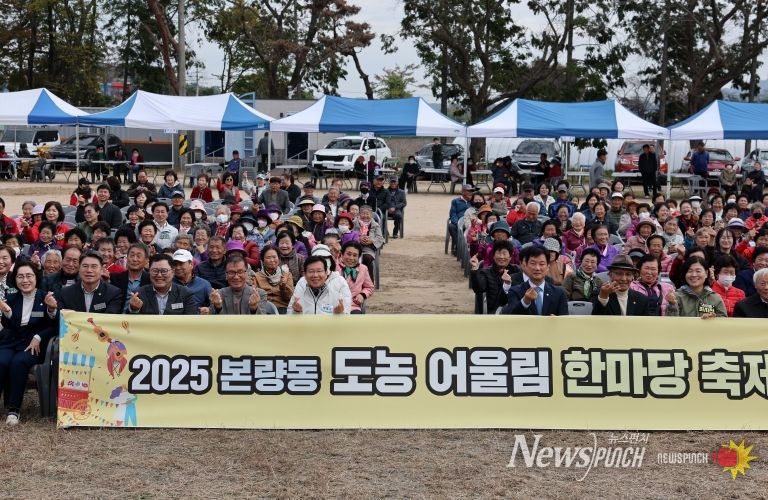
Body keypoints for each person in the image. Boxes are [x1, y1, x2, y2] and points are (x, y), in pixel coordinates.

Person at [0, 262, 58, 425]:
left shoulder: (46, 297)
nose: (25, 280)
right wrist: (7, 313)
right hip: (11, 341)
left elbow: (54, 326)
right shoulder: (11, 298)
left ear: (36, 277)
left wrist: (51, 311)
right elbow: (10, 326)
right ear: (15, 279)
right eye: (20, 276)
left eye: (29, 276)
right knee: (1, 361)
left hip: (33, 343)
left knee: (19, 362)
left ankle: (14, 410)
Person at [502, 245, 568, 315]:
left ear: (548, 267)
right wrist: (525, 301)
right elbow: (511, 317)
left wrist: (557, 320)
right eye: (533, 264)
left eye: (541, 264)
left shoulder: (559, 293)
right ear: (526, 266)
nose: (537, 268)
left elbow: (565, 320)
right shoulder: (515, 291)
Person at [55, 251, 123, 313]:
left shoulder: (113, 293)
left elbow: (110, 319)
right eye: (85, 266)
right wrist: (51, 309)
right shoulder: (65, 293)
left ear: (102, 269)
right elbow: (60, 319)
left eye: (94, 266)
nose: (89, 270)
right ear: (79, 268)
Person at [128, 253, 196, 315]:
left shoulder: (186, 294)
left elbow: (190, 323)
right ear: (149, 272)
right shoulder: (138, 294)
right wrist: (134, 309)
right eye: (155, 271)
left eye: (164, 271)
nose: (159, 275)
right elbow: (128, 323)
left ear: (173, 272)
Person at [207, 255, 273, 315]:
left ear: (246, 273)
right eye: (231, 272)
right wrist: (218, 306)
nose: (236, 277)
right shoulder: (218, 294)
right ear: (226, 275)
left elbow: (262, 323)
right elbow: (213, 323)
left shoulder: (260, 294)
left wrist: (254, 308)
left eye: (240, 272)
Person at [470, 240, 518, 314]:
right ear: (493, 256)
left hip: (515, 312)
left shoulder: (517, 270)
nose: (501, 257)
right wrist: (475, 269)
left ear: (510, 257)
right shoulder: (486, 272)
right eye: (498, 253)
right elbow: (479, 289)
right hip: (493, 313)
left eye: (504, 253)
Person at [110, 243, 151, 312]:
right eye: (132, 255)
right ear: (127, 258)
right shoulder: (115, 278)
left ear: (146, 260)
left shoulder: (151, 280)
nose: (134, 259)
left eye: (138, 256)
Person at [252, 245, 294, 314]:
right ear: (262, 260)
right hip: (264, 308)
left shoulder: (287, 275)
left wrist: (283, 286)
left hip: (282, 308)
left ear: (279, 259)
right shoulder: (256, 276)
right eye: (268, 258)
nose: (272, 260)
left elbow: (289, 297)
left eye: (274, 257)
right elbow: (255, 296)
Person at [338, 241, 374, 314]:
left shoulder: (363, 269)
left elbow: (369, 287)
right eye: (348, 254)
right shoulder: (335, 266)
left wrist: (362, 295)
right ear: (342, 254)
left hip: (352, 305)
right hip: (334, 305)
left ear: (359, 257)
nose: (351, 258)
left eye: (355, 255)